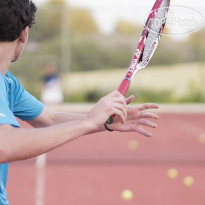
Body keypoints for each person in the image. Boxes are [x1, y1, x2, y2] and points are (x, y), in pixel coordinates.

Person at [0, 0, 159, 204]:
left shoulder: (8, 81)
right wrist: (87, 122)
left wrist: (102, 121)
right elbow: (4, 144)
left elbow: (49, 118)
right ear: (24, 33)